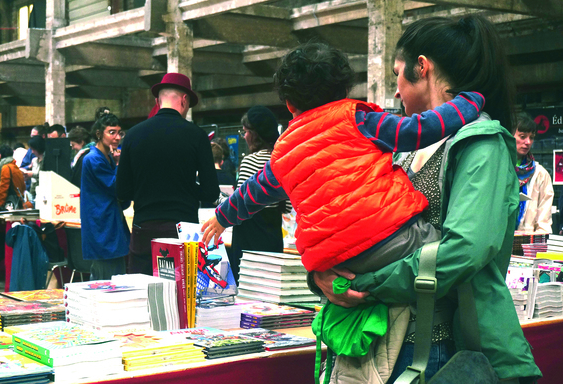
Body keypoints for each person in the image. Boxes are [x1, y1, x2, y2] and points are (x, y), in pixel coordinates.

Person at [199, 41, 492, 379]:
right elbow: (419, 129)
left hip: (339, 264)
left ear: (289, 104)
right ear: (344, 90)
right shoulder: (359, 119)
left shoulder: (283, 152)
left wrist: (222, 217)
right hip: (398, 242)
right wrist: (470, 101)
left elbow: (255, 192)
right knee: (440, 239)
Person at [313, 16, 541, 383]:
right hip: (372, 343)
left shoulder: (482, 144)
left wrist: (367, 284)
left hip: (433, 349)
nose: (396, 91)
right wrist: (322, 275)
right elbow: (353, 222)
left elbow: (465, 248)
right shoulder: (402, 146)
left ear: (423, 67)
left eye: (397, 75)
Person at [116, 72, 220, 275]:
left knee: (142, 293)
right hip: (183, 231)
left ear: (157, 100)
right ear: (184, 99)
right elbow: (210, 193)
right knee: (181, 296)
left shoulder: (133, 135)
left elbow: (122, 191)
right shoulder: (197, 136)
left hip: (144, 228)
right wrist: (187, 187)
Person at [229, 106, 291, 283]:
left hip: (249, 240)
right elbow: (286, 207)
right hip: (272, 237)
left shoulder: (250, 161)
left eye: (245, 132)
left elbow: (240, 205)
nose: (244, 136)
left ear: (255, 134)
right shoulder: (280, 162)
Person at [81, 113, 130, 280]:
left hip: (108, 221)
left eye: (119, 133)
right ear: (99, 134)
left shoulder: (106, 157)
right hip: (101, 224)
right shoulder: (93, 159)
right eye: (111, 132)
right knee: (106, 280)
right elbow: (116, 187)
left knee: (115, 275)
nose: (116, 137)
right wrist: (118, 164)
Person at [513, 113, 553, 233]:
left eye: (531, 137)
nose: (528, 142)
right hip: (498, 243)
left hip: (528, 245)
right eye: (522, 136)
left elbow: (544, 222)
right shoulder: (499, 168)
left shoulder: (540, 174)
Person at [0, 145, 27, 209]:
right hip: (19, 202)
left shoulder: (6, 168)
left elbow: (3, 188)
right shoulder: (15, 167)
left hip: (11, 204)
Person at [20, 125, 47, 191]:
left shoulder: (47, 157)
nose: (32, 152)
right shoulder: (31, 154)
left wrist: (32, 174)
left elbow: (46, 174)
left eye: (34, 137)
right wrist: (28, 168)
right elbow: (23, 166)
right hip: (31, 188)